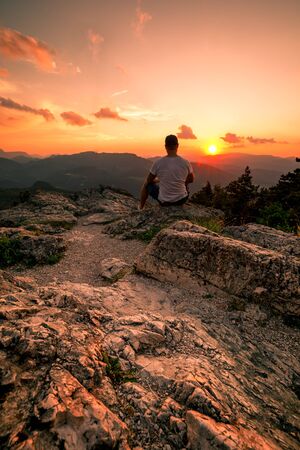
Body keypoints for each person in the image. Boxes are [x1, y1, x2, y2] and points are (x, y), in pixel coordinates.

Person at [140, 134, 194, 209]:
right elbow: (191, 179)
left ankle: (141, 208)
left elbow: (149, 180)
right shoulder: (186, 162)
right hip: (181, 200)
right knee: (185, 184)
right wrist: (182, 182)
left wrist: (158, 180)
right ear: (177, 145)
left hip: (164, 202)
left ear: (165, 146)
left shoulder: (158, 162)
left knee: (146, 184)